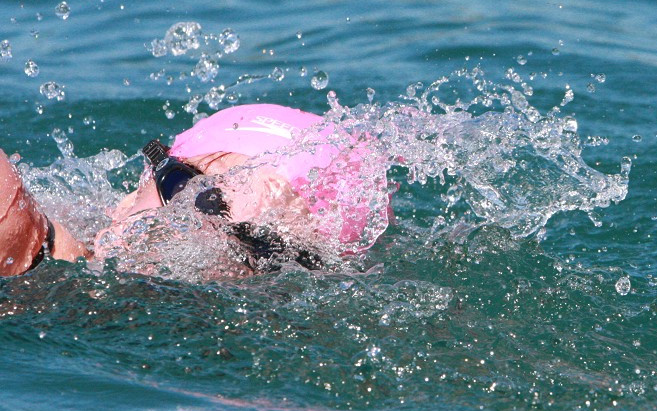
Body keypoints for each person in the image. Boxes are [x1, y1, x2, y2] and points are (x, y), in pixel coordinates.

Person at [0, 103, 391, 277]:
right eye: (180, 184)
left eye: (254, 242)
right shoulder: (28, 230)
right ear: (129, 196)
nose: (177, 225)